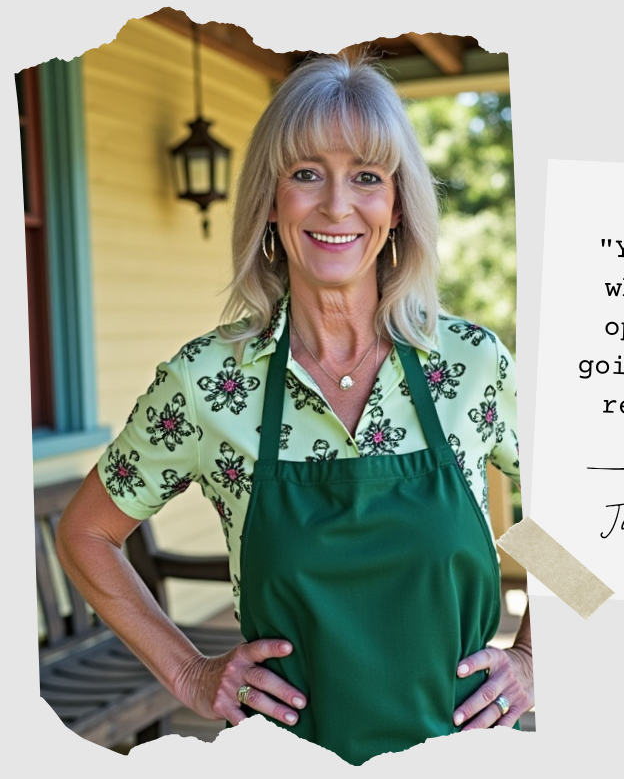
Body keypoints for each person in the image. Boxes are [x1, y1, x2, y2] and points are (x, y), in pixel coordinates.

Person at [56, 56, 533, 765]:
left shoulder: (471, 365)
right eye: (306, 173)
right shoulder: (207, 383)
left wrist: (532, 657)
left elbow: (576, 527)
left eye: (367, 177)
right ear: (271, 201)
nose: (337, 205)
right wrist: (188, 671)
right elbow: (86, 535)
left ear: (397, 206)